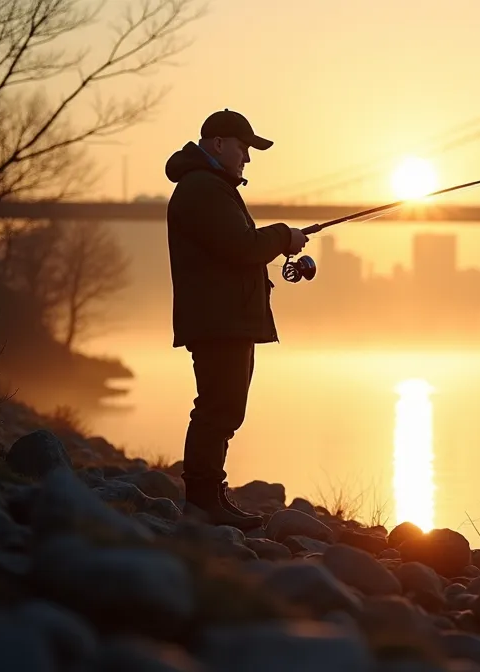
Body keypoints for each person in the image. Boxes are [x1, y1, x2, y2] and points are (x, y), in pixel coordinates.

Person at [164, 109, 309, 530]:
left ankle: (211, 497)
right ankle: (202, 502)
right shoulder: (204, 189)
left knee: (225, 409)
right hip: (218, 321)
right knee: (217, 409)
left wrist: (278, 239)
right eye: (244, 148)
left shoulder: (211, 187)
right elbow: (243, 247)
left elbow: (236, 246)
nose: (247, 158)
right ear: (218, 144)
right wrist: (283, 235)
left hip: (226, 319)